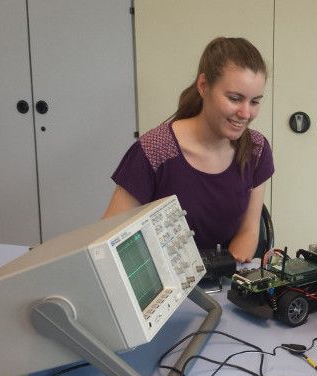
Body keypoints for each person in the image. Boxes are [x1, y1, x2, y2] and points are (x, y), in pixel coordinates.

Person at [104, 37, 274, 262]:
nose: (245, 113)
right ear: (203, 86)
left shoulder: (256, 149)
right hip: (164, 285)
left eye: (254, 102)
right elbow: (110, 239)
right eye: (235, 98)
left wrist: (221, 277)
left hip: (223, 280)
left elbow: (250, 230)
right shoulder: (154, 151)